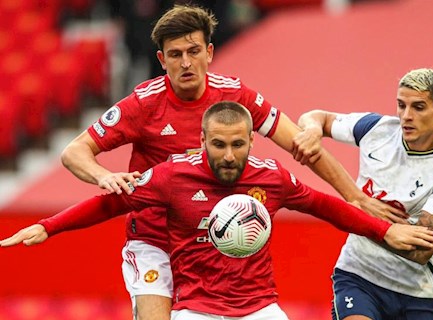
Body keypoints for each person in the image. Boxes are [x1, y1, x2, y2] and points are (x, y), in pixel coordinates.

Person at [59, 4, 403, 320]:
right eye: (176, 55)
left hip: (212, 241)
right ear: (162, 60)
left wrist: (354, 197)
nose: (186, 63)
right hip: (155, 241)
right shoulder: (142, 104)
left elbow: (301, 145)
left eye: (194, 51)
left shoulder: (236, 96)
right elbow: (74, 152)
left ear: (209, 52)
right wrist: (103, 175)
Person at [0, 102, 433, 320]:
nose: (229, 155)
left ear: (251, 140)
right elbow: (110, 202)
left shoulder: (271, 177)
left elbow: (326, 206)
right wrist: (46, 227)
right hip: (197, 310)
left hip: (260, 308)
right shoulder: (171, 176)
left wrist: (385, 231)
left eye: (238, 144)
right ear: (203, 141)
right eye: (219, 144)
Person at [295, 68, 433, 320]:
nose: (406, 116)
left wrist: (359, 218)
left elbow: (421, 250)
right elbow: (316, 117)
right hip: (358, 275)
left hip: (414, 291)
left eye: (419, 107)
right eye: (401, 105)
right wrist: (313, 130)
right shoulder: (378, 129)